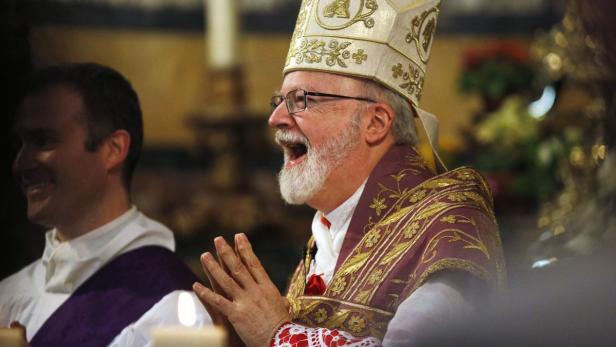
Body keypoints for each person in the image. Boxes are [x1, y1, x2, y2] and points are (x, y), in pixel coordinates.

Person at [193, 0, 506, 346]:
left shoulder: (449, 226)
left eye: (302, 100)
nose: (276, 119)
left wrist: (280, 335)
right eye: (278, 101)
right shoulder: (328, 229)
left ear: (375, 122)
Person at [0, 63, 211, 346]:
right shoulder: (9, 296)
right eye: (20, 145)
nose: (21, 164)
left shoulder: (174, 311)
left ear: (113, 149)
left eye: (43, 141)